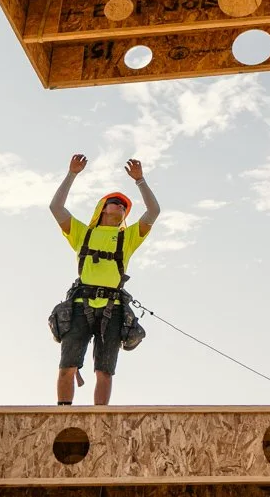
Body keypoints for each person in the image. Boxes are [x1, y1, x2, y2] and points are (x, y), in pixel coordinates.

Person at [49, 155, 160, 405]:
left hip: (114, 309)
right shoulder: (83, 234)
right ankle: (63, 415)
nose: (120, 207)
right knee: (67, 366)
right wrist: (72, 174)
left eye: (123, 207)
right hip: (80, 306)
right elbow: (56, 208)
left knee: (105, 372)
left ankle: (99, 418)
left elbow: (153, 211)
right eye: (115, 203)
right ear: (102, 208)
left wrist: (140, 180)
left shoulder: (128, 238)